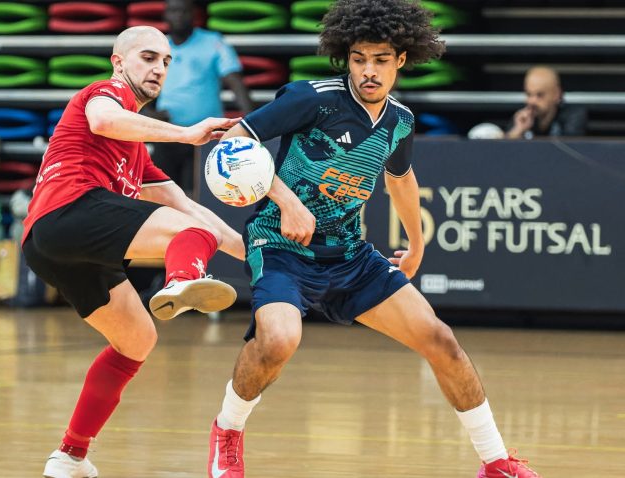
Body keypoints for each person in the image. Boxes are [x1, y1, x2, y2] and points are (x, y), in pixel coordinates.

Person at [205, 1, 541, 477]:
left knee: (440, 340)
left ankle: (495, 461)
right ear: (346, 58)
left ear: (401, 60)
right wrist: (286, 201)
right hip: (281, 246)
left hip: (349, 254)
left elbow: (400, 179)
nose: (369, 70)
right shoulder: (312, 98)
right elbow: (235, 140)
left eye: (380, 60)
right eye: (360, 58)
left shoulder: (399, 120)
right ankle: (227, 431)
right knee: (279, 340)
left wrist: (418, 245)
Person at [22, 26, 245, 478]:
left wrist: (262, 257)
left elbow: (191, 208)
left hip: (50, 247)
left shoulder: (137, 154)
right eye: (148, 57)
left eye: (166, 61)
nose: (159, 68)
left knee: (138, 339)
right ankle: (181, 280)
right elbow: (104, 121)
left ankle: (70, 456)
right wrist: (187, 134)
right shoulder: (103, 93)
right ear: (118, 62)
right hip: (69, 210)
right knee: (188, 234)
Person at [147, 0, 253, 192]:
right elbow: (139, 88)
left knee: (197, 194)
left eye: (183, 11)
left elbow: (235, 82)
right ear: (165, 15)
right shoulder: (157, 49)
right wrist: (148, 113)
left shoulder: (213, 42)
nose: (178, 15)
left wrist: (253, 123)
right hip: (167, 135)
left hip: (204, 136)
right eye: (173, 11)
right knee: (162, 194)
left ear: (193, 14)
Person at [506, 66, 587, 139]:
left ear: (557, 94)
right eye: (529, 94)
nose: (532, 101)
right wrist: (518, 131)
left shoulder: (573, 116)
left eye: (540, 95)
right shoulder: (521, 119)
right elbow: (504, 151)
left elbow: (570, 149)